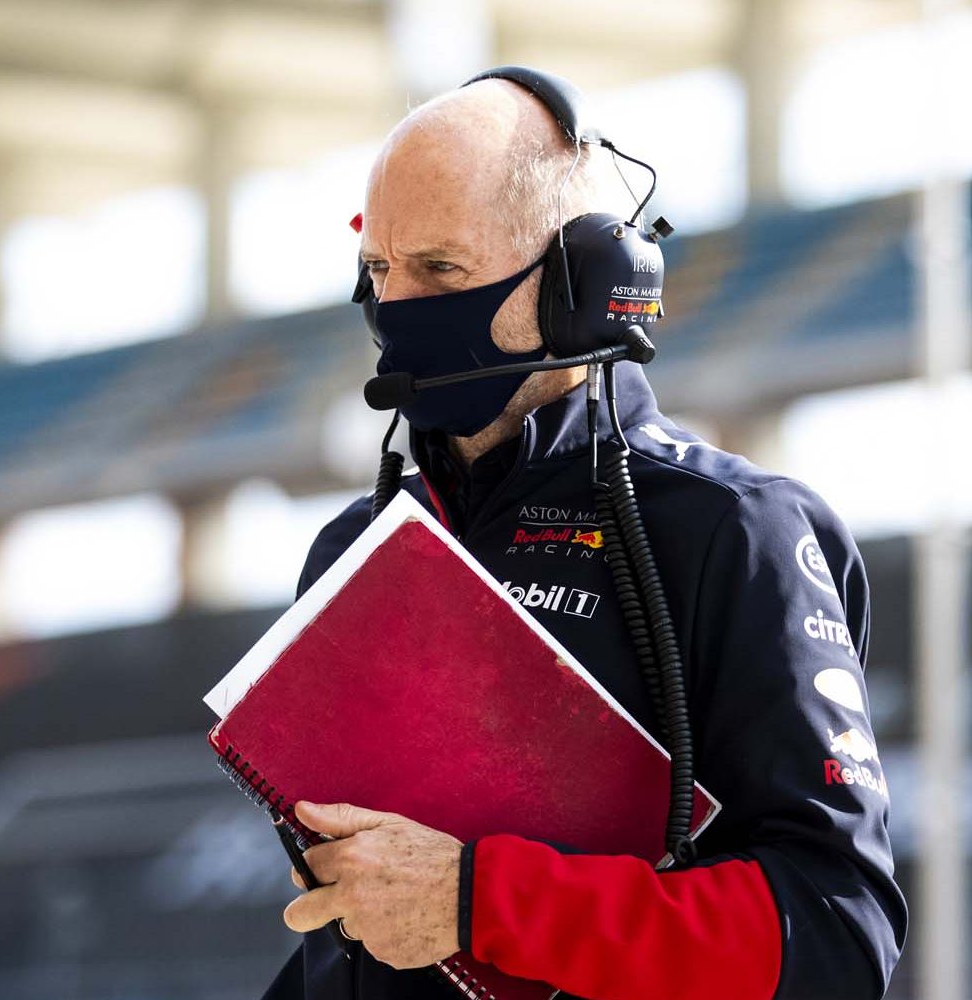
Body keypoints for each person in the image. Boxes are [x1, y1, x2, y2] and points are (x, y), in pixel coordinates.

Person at [263, 72, 906, 1000]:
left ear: (585, 287)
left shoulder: (734, 531)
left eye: (439, 268)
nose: (394, 306)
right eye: (377, 270)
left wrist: (479, 903)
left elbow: (837, 936)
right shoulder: (351, 549)